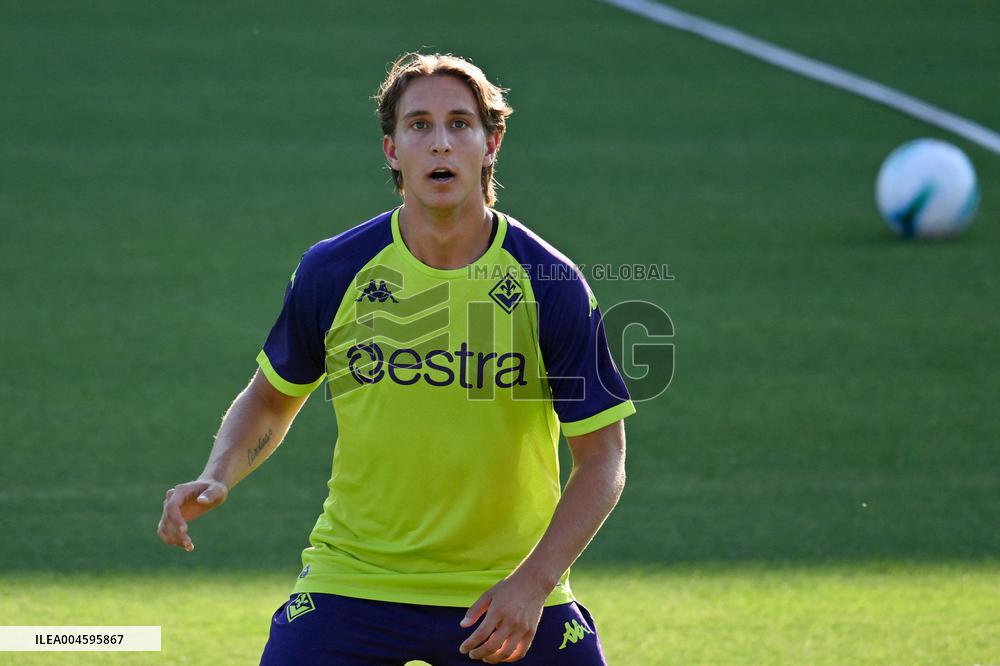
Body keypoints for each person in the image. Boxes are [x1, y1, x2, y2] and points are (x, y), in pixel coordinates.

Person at [158, 52, 635, 665]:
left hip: (507, 593)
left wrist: (533, 584)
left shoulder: (550, 283)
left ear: (491, 144)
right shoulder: (334, 270)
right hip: (353, 582)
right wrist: (219, 471)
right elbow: (274, 396)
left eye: (460, 125)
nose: (441, 144)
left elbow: (603, 457)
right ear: (391, 150)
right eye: (419, 126)